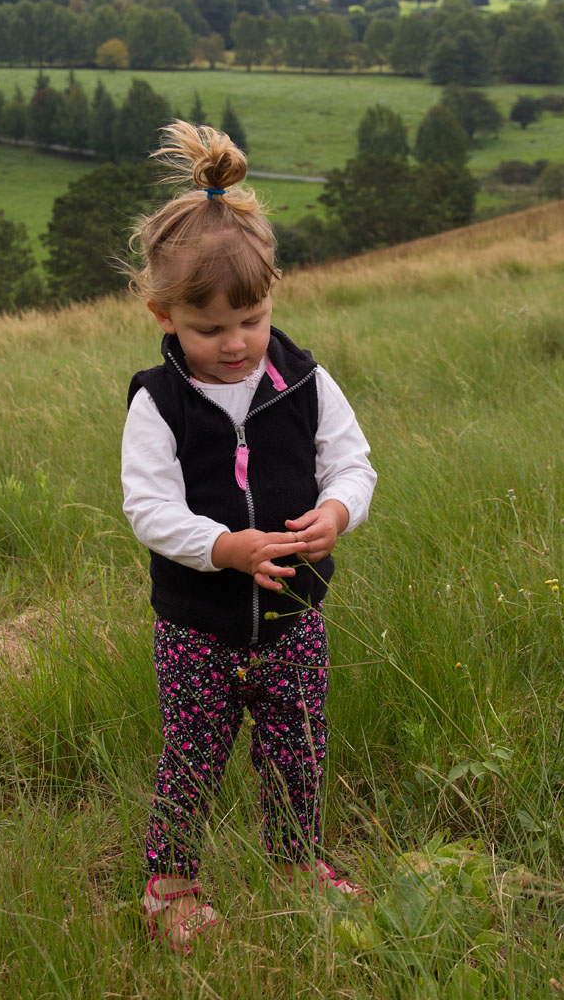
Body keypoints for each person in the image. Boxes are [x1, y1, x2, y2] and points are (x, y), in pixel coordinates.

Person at [121, 120, 377, 953]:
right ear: (165, 315)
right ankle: (171, 884)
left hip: (296, 621)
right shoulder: (157, 403)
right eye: (209, 329)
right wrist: (225, 547)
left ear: (274, 300)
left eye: (252, 320)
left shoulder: (305, 382)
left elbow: (354, 466)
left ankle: (299, 861)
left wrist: (336, 514)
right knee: (190, 758)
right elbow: (148, 508)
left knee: (298, 747)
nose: (234, 344)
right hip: (196, 627)